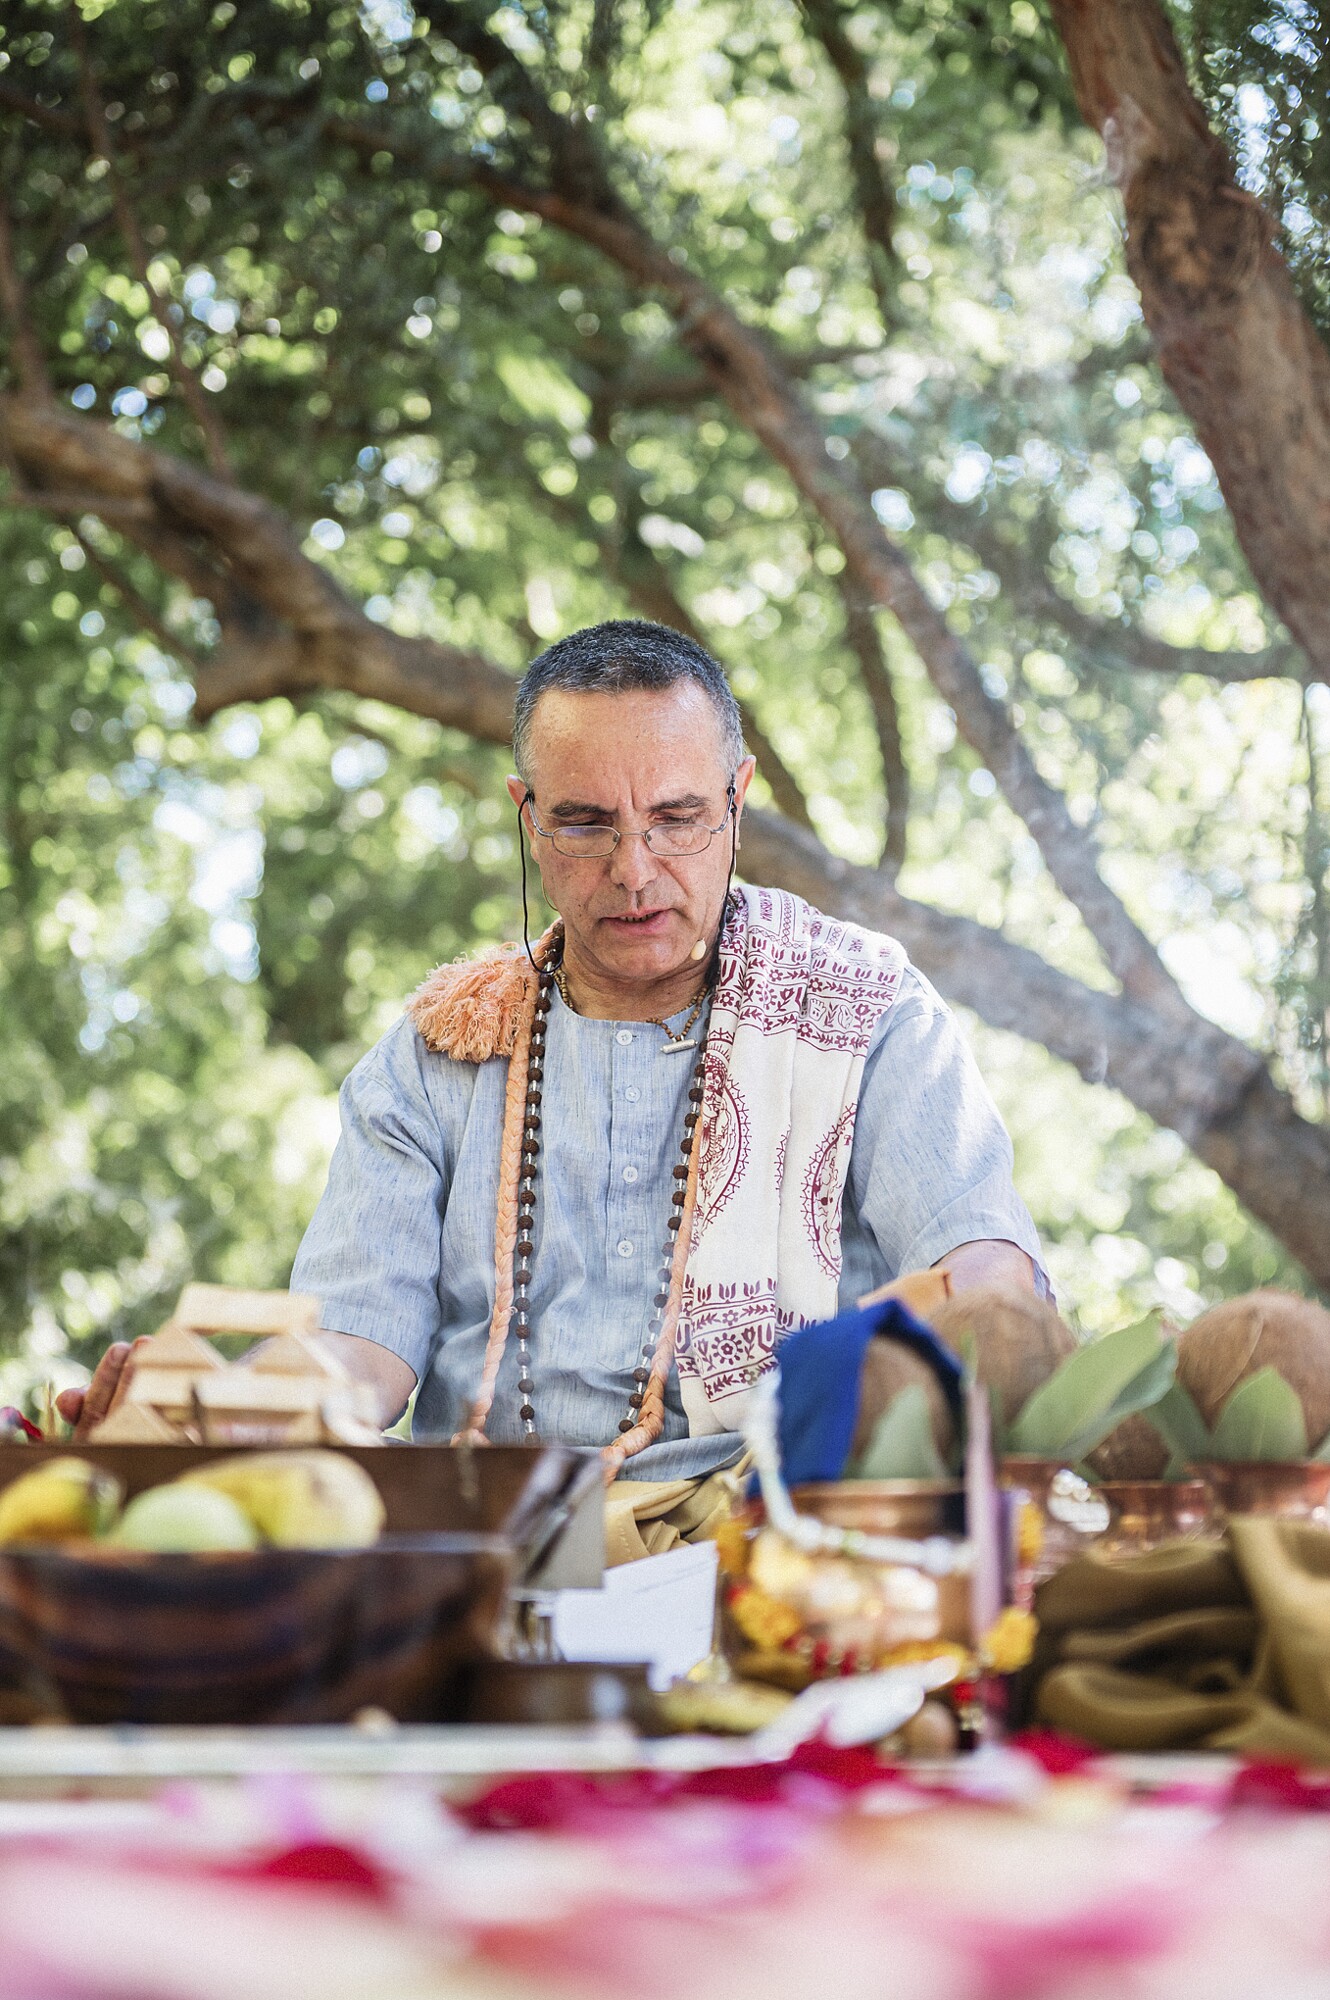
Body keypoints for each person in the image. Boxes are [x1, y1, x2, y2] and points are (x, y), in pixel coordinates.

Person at [62, 621, 1045, 1521]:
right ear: (527, 814)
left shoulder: (865, 1008)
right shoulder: (438, 1052)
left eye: (677, 816)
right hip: (490, 1547)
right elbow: (357, 1346)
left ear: (738, 803)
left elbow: (985, 1273)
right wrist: (223, 1402)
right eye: (585, 823)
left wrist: (935, 1335)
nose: (634, 867)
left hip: (782, 1534)